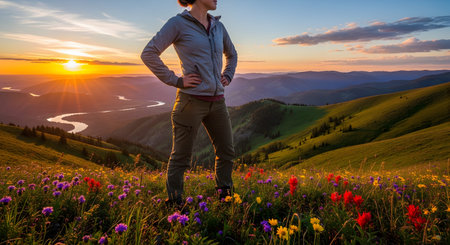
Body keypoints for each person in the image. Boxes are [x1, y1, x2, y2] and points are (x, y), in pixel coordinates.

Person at [141, 0, 238, 205]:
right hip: (190, 102)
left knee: (226, 152)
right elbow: (149, 53)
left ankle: (225, 198)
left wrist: (227, 75)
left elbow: (232, 54)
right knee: (181, 157)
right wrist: (176, 80)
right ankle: (175, 204)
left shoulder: (219, 26)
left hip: (218, 102)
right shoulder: (178, 24)